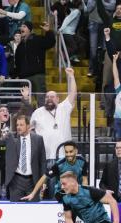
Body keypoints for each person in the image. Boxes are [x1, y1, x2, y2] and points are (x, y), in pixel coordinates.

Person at [0, 115, 46, 202]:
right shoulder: (11, 137)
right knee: (15, 211)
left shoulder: (38, 139)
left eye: (21, 125)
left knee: (33, 209)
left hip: (33, 181)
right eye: (17, 125)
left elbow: (42, 162)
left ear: (28, 126)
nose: (18, 127)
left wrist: (43, 181)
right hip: (16, 181)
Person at [30, 67, 76, 197]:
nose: (49, 98)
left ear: (58, 98)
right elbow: (30, 130)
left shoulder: (64, 108)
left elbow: (73, 95)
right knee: (48, 188)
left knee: (64, 188)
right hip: (45, 157)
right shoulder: (37, 112)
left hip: (63, 157)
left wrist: (71, 77)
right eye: (47, 97)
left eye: (52, 96)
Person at [21, 141, 88, 201]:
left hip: (76, 191)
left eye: (71, 151)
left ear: (76, 151)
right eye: (66, 152)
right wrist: (33, 194)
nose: (68, 154)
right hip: (61, 192)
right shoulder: (59, 164)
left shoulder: (82, 161)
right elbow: (44, 177)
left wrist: (84, 193)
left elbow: (84, 180)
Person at [14, 21, 55, 98]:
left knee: (41, 100)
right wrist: (17, 75)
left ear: (30, 29)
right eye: (21, 27)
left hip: (38, 75)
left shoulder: (38, 39)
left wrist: (48, 31)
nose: (21, 28)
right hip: (24, 77)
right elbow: (17, 62)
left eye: (24, 26)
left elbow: (51, 42)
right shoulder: (20, 46)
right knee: (26, 100)